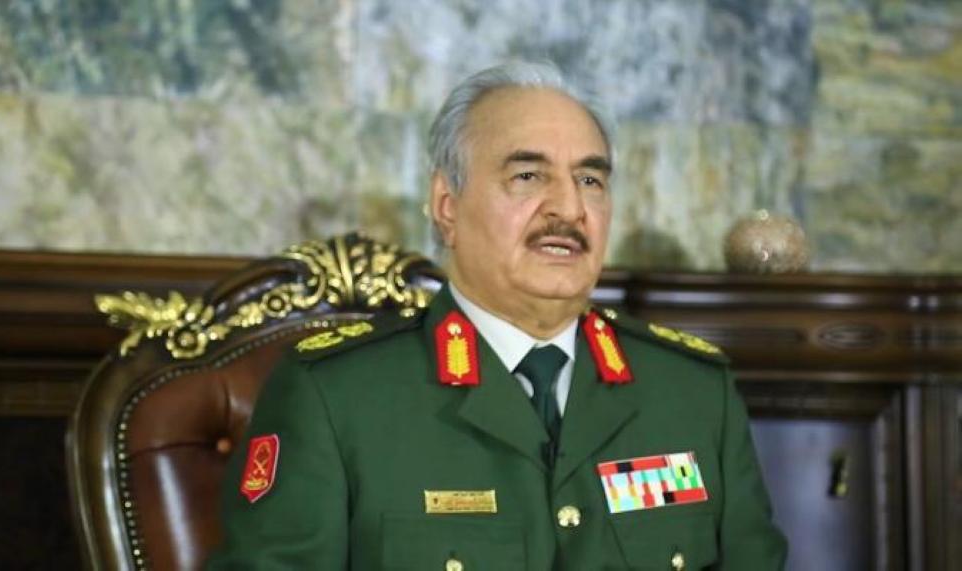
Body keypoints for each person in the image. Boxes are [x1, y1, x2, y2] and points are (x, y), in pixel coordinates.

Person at [208, 62, 787, 570]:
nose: (569, 207)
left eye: (590, 179)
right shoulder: (335, 397)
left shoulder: (694, 394)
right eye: (528, 176)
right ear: (447, 207)